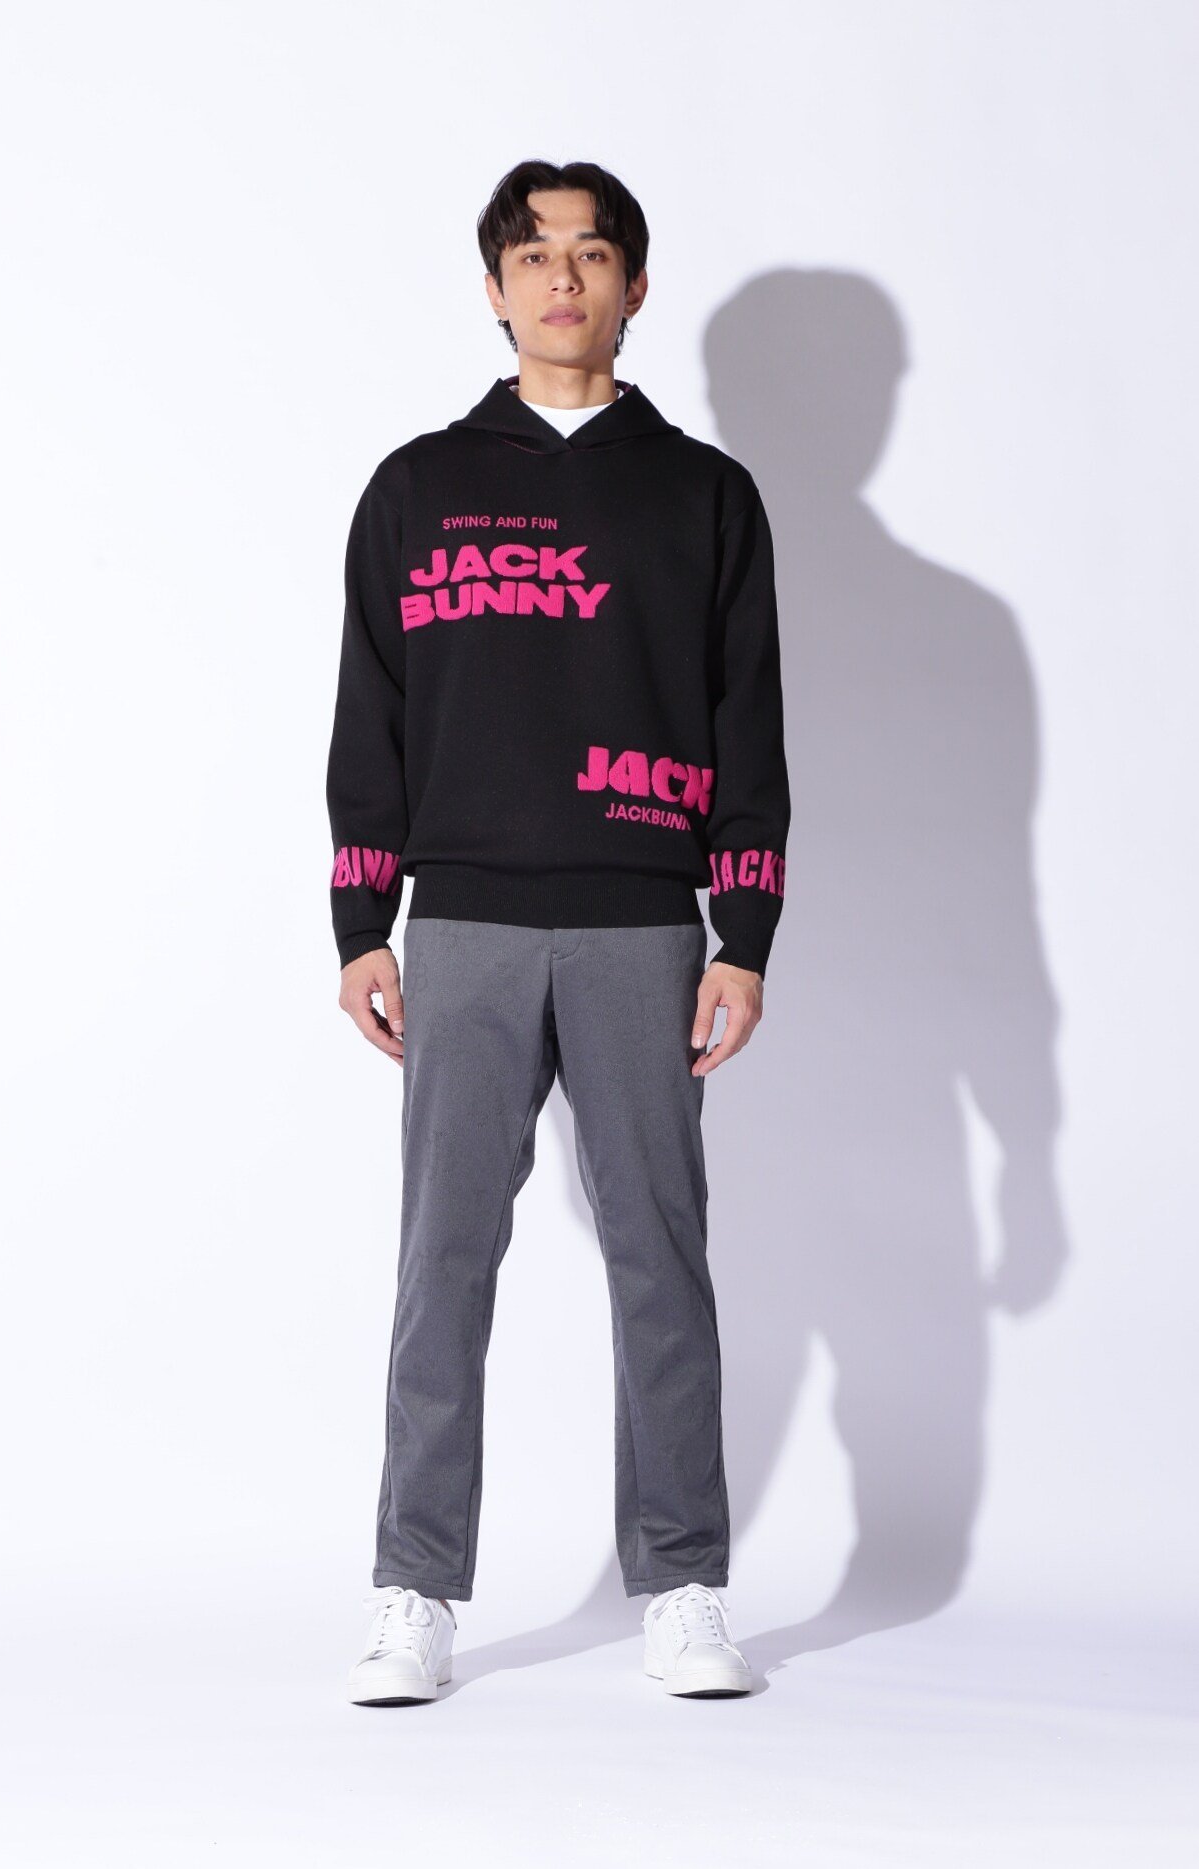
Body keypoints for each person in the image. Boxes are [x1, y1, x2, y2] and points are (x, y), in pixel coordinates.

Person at [327, 158, 791, 1704]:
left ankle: (683, 1581)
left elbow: (747, 723)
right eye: (532, 254)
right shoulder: (416, 488)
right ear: (494, 286)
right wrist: (361, 917)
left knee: (659, 1253)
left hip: (640, 923)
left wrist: (742, 933)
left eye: (590, 253)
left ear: (634, 285)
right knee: (443, 1258)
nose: (562, 278)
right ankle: (412, 1588)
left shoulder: (704, 496)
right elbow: (371, 712)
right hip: (459, 920)